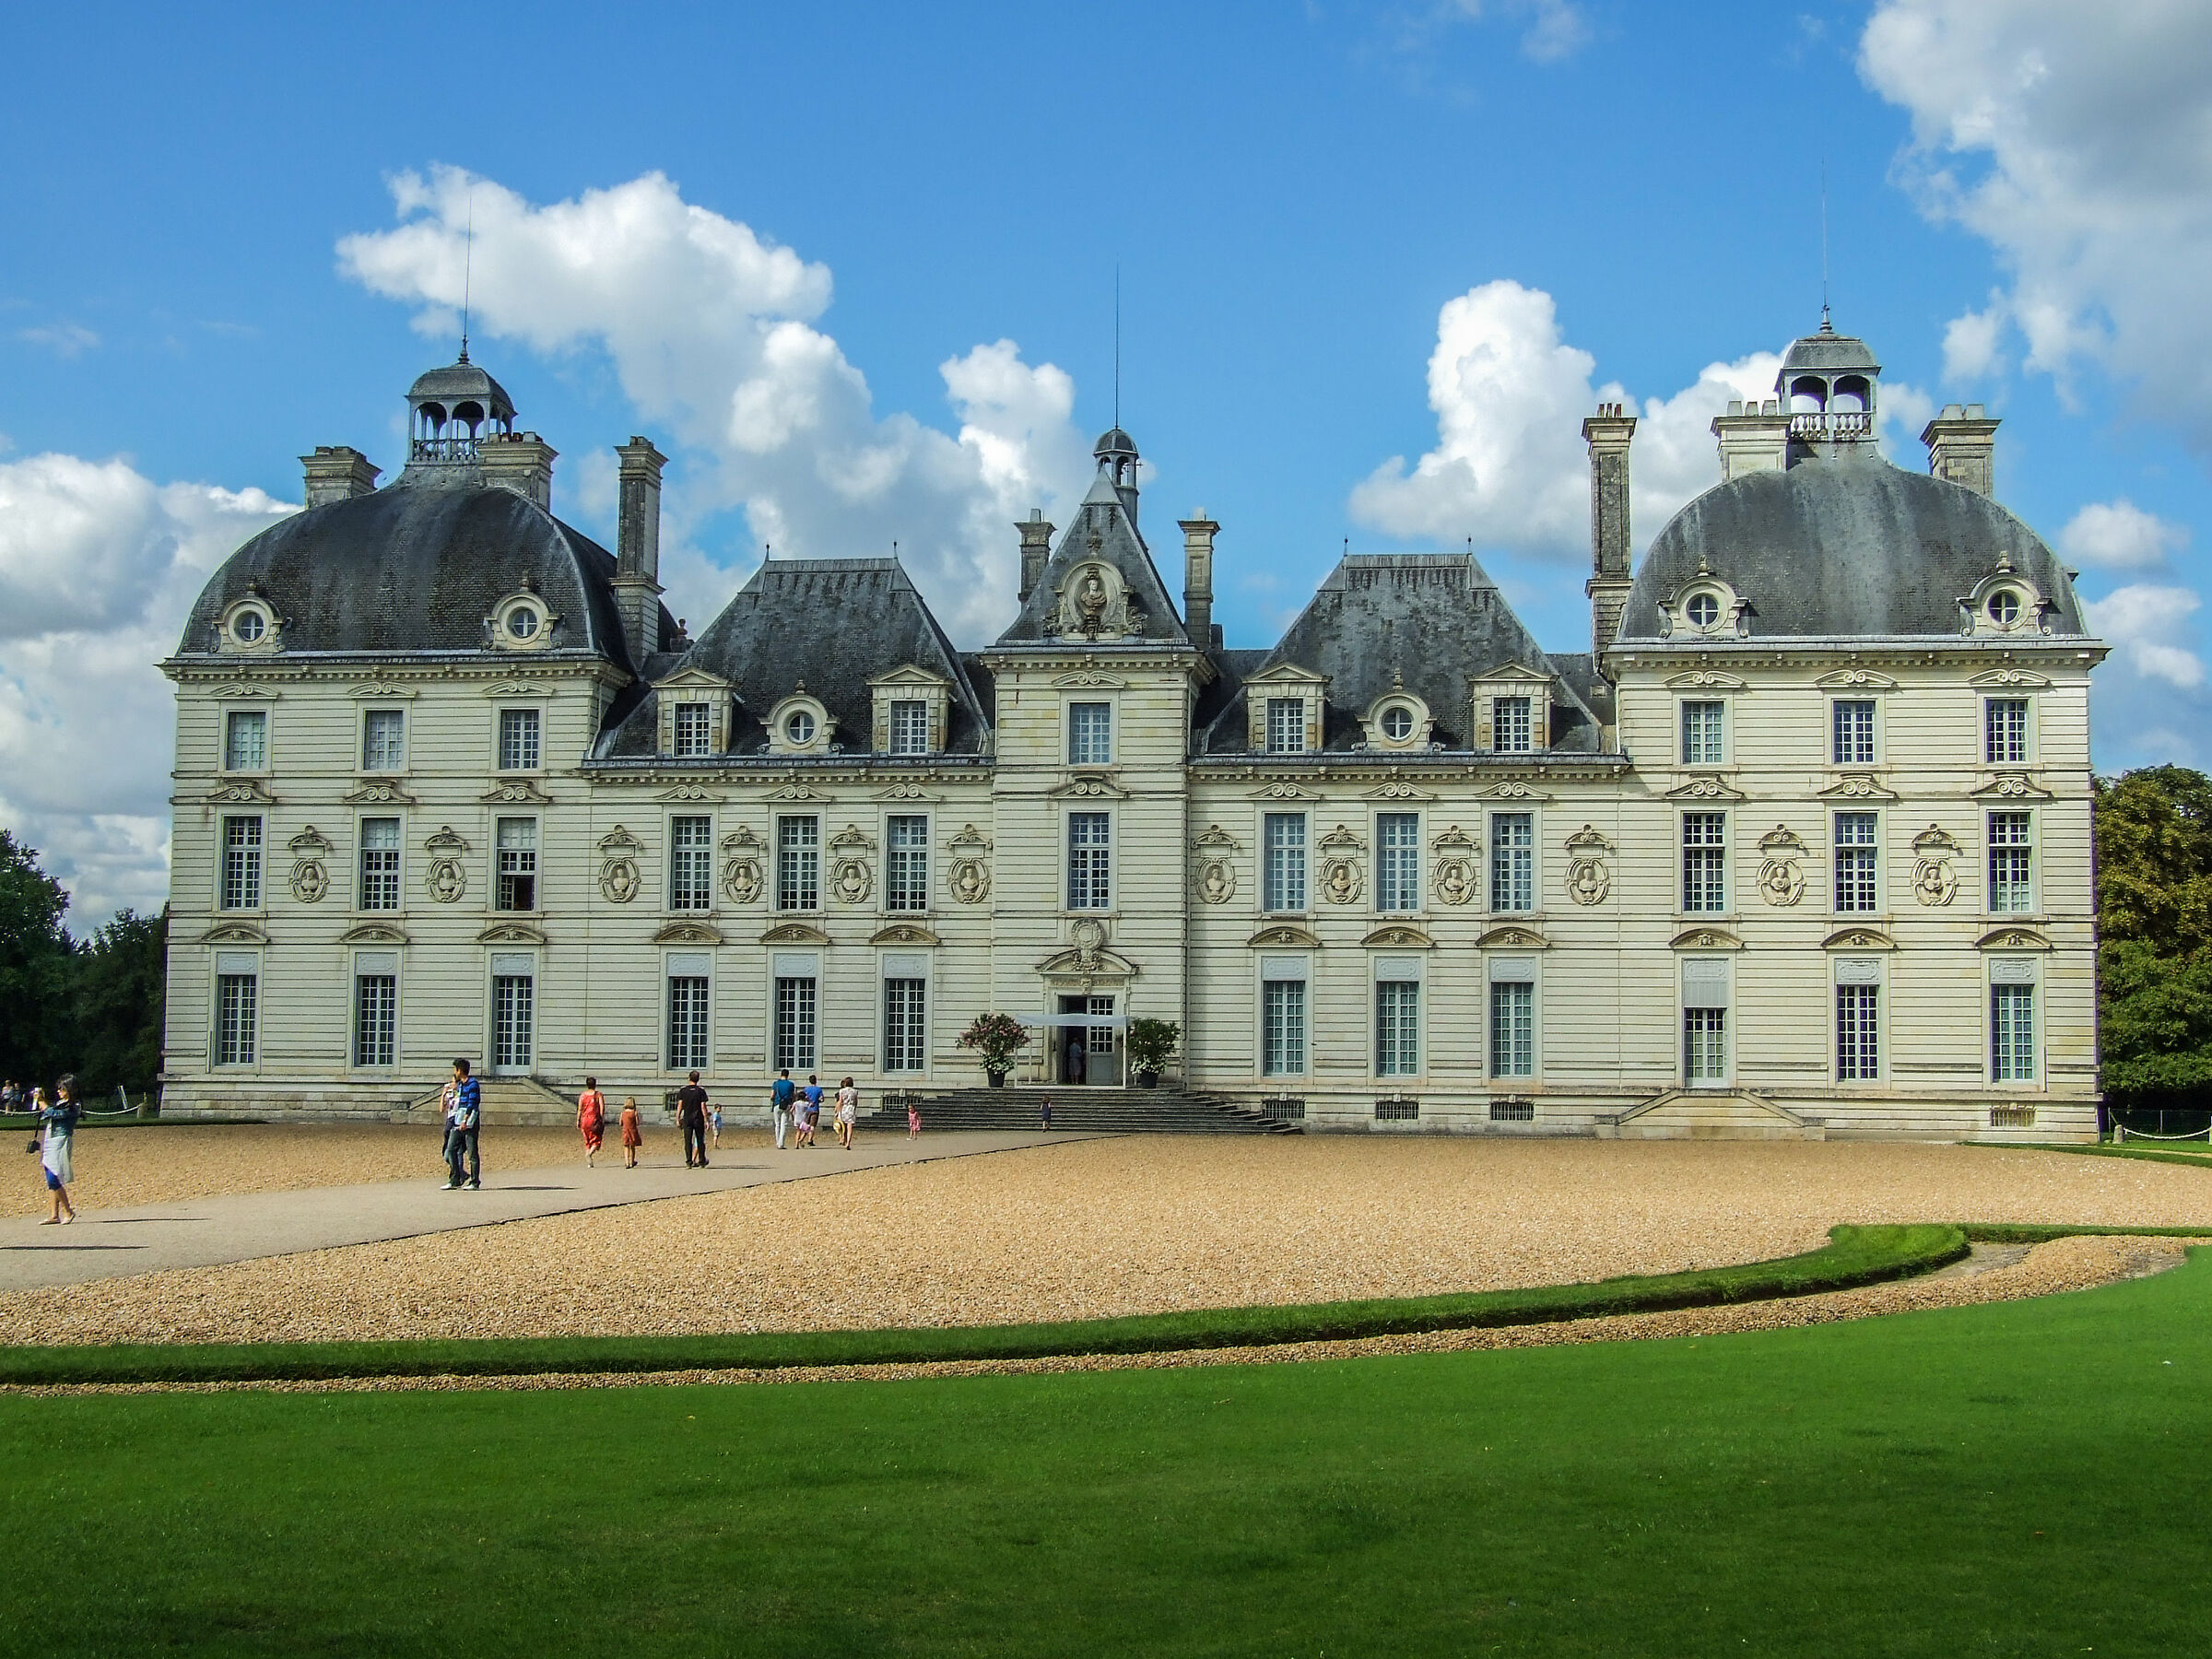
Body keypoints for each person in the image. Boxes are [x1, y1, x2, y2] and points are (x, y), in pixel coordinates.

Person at [34, 1077, 80, 1225]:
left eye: (62, 1088)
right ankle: (54, 1214)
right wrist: (43, 1103)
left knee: (54, 1177)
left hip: (61, 1141)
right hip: (51, 1140)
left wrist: (42, 1102)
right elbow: (47, 1114)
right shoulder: (61, 1104)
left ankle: (68, 1211)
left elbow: (55, 1114)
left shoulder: (74, 1106)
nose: (59, 1091)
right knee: (50, 1176)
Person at [442, 1058, 481, 1190]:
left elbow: (472, 1103)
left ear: (460, 1070)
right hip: (459, 1119)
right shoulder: (461, 1085)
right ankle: (455, 1179)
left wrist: (465, 1120)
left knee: (472, 1153)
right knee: (450, 1149)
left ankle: (475, 1182)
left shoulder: (473, 1084)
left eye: (455, 1069)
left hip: (469, 1120)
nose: (454, 1072)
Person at [677, 1070, 711, 1168]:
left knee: (688, 1141)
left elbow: (680, 1105)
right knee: (700, 1140)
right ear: (698, 1079)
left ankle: (689, 1161)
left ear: (689, 1078)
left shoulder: (683, 1091)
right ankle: (701, 1160)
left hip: (687, 1117)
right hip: (698, 1118)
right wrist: (706, 1120)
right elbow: (703, 1106)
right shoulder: (701, 1091)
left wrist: (678, 1118)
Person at [577, 1077, 607, 1169]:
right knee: (596, 1139)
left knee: (587, 1140)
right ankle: (589, 1154)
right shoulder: (598, 1095)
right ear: (595, 1084)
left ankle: (590, 1163)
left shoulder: (582, 1095)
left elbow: (580, 1109)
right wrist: (601, 1118)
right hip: (594, 1120)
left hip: (584, 1120)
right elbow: (602, 1107)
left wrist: (578, 1120)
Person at [770, 1069, 795, 1150]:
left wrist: (774, 1100)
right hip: (786, 1104)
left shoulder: (776, 1083)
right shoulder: (791, 1084)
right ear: (788, 1075)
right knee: (784, 1124)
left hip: (777, 1104)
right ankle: (781, 1144)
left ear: (781, 1074)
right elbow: (793, 1096)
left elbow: (772, 1095)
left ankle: (778, 1142)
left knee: (777, 1124)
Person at [798, 1075, 824, 1148]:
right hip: (815, 1109)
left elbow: (803, 1097)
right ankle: (810, 1139)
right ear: (816, 1080)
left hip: (807, 1109)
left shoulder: (806, 1089)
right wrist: (818, 1101)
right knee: (812, 1126)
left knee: (806, 1125)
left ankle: (802, 1138)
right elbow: (822, 1099)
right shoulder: (819, 1089)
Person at [835, 1077, 859, 1149]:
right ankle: (848, 1142)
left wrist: (837, 1111)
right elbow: (856, 1101)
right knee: (850, 1127)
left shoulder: (842, 1091)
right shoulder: (855, 1091)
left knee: (843, 1127)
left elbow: (840, 1101)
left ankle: (843, 1139)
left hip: (844, 1108)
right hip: (851, 1109)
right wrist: (854, 1107)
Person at [619, 1097, 643, 1169]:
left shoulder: (623, 1113)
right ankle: (631, 1162)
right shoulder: (634, 1113)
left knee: (626, 1146)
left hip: (625, 1131)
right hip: (633, 1131)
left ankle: (627, 1162)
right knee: (632, 1147)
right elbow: (637, 1123)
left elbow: (620, 1123)